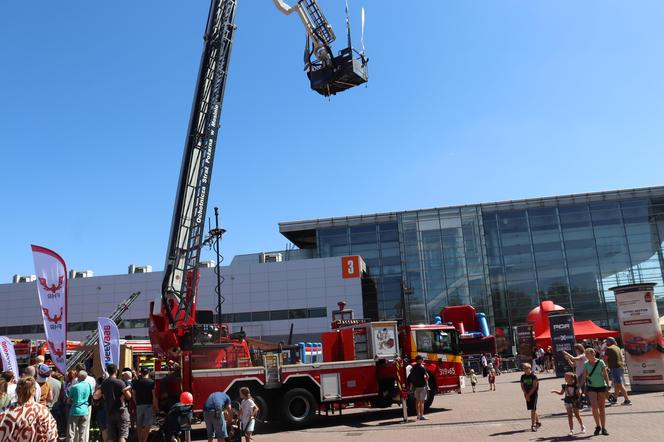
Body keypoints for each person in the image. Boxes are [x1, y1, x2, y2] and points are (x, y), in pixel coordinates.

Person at [0, 376, 58, 441]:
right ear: (33, 391)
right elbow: (52, 436)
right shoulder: (42, 412)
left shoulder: (4, 411)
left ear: (17, 391)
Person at [94, 364, 132, 442]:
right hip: (121, 411)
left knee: (111, 436)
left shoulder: (104, 383)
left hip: (109, 411)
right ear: (116, 371)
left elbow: (96, 397)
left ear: (108, 371)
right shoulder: (120, 382)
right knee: (122, 435)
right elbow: (129, 397)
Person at [584, 348, 610, 436]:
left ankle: (603, 427)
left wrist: (608, 384)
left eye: (587, 354)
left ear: (593, 353)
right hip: (591, 386)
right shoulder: (586, 364)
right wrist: (583, 386)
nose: (586, 355)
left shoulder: (600, 362)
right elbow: (585, 376)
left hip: (601, 386)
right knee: (594, 407)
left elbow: (605, 374)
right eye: (585, 354)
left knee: (602, 408)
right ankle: (597, 426)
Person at [551, 372, 585, 436]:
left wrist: (579, 392)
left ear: (571, 378)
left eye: (566, 377)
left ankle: (582, 426)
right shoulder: (565, 385)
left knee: (577, 415)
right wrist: (555, 391)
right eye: (565, 377)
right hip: (567, 401)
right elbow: (561, 393)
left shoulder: (576, 386)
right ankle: (571, 430)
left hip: (574, 401)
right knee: (570, 416)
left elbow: (579, 394)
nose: (565, 378)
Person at [604, 337, 631, 405]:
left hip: (615, 368)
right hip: (620, 367)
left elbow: (605, 359)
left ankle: (627, 400)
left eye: (607, 342)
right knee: (617, 384)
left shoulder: (609, 349)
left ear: (609, 342)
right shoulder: (617, 347)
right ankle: (615, 399)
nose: (606, 343)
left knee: (619, 384)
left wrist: (604, 367)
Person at [132, 367, 157, 442]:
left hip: (139, 405)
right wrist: (155, 406)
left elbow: (133, 394)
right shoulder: (151, 382)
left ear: (141, 373)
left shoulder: (136, 382)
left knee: (139, 425)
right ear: (148, 373)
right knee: (148, 424)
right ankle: (144, 440)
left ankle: (140, 440)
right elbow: (154, 395)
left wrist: (136, 402)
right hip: (149, 405)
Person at [68, 370, 93, 442]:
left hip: (75, 410)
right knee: (82, 432)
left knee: (71, 432)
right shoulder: (88, 385)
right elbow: (90, 396)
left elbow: (69, 400)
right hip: (85, 410)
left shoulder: (74, 387)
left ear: (79, 377)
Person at [407, 355, 429, 420]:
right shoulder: (422, 368)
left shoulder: (413, 368)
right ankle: (422, 416)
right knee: (422, 402)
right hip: (422, 387)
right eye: (422, 359)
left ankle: (418, 415)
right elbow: (427, 376)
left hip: (416, 387)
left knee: (417, 401)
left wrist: (411, 387)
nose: (422, 361)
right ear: (420, 360)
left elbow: (410, 378)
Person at [520, 363, 540, 432]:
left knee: (533, 409)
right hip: (527, 394)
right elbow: (522, 386)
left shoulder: (533, 376)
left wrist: (528, 395)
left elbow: (534, 387)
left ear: (529, 368)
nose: (524, 370)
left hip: (533, 394)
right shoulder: (523, 376)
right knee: (533, 408)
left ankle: (533, 425)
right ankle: (538, 422)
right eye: (523, 369)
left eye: (525, 368)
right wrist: (525, 394)